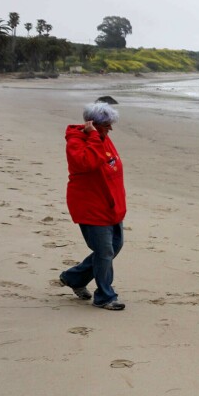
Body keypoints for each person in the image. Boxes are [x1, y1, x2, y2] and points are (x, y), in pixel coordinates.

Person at [58, 102, 127, 310]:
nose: (110, 129)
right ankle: (105, 296)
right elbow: (88, 163)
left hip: (111, 205)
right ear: (93, 124)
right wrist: (95, 136)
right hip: (90, 206)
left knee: (114, 247)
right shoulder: (77, 142)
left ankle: (74, 277)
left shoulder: (103, 137)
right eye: (106, 125)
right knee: (104, 251)